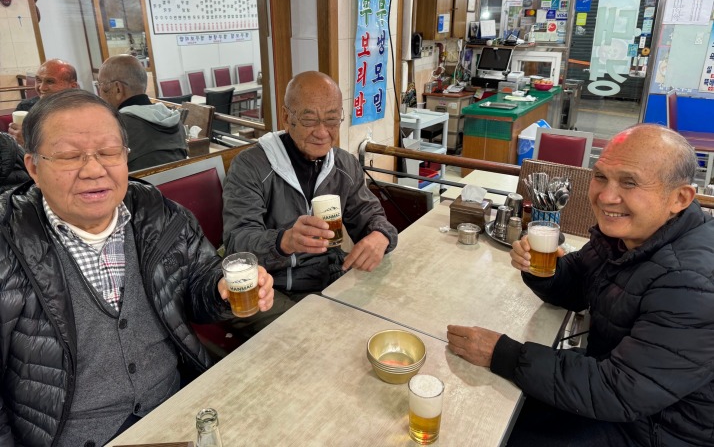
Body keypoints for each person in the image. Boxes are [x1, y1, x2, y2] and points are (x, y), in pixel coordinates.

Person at [0, 89, 274, 446]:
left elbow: (199, 283)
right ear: (34, 167)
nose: (94, 170)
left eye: (109, 152)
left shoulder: (157, 214)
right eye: (69, 156)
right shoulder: (9, 243)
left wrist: (219, 289)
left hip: (176, 407)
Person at [446, 124, 714, 447]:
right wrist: (544, 272)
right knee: (486, 405)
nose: (606, 196)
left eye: (629, 182)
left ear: (679, 198)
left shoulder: (692, 282)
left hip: (654, 430)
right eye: (600, 176)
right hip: (611, 391)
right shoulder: (628, 237)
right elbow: (577, 282)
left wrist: (502, 353)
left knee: (488, 432)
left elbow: (619, 390)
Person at [222, 70, 398, 333]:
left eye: (332, 120)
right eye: (309, 119)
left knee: (388, 314)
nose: (322, 132)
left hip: (329, 276)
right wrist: (284, 241)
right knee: (314, 336)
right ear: (286, 117)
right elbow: (237, 242)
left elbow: (370, 215)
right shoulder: (250, 166)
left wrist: (380, 235)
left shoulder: (344, 164)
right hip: (270, 290)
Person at [97, 54, 188, 171]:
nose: (99, 93)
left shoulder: (117, 127)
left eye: (100, 85)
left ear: (118, 88)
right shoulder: (175, 121)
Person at [8, 58, 79, 146]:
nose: (41, 87)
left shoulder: (84, 111)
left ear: (72, 86)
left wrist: (29, 142)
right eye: (38, 80)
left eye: (50, 81)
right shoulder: (26, 107)